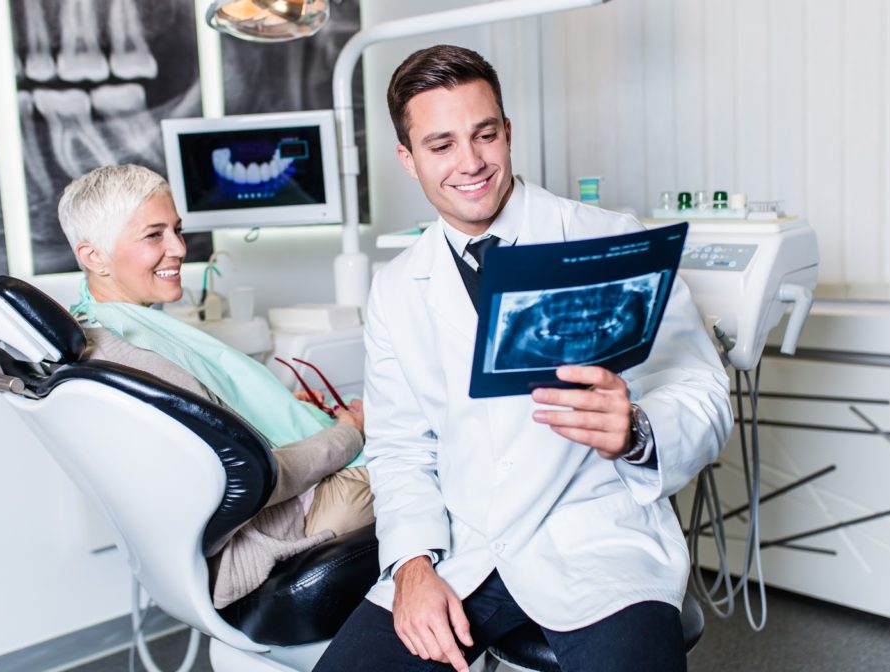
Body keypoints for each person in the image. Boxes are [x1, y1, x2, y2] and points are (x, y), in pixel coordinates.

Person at [313, 45, 733, 672]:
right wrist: (410, 565)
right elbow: (402, 448)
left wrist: (639, 431)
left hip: (596, 542)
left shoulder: (609, 239)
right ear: (407, 159)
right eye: (441, 145)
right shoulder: (398, 288)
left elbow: (705, 392)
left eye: (485, 135)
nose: (472, 163)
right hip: (464, 550)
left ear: (508, 133)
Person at [57, 164, 374, 608]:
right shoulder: (137, 358)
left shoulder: (104, 328)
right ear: (94, 257)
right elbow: (256, 476)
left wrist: (285, 413)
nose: (179, 248)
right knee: (439, 461)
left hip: (257, 518)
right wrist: (349, 430)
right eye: (154, 236)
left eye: (177, 230)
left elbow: (217, 428)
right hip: (281, 525)